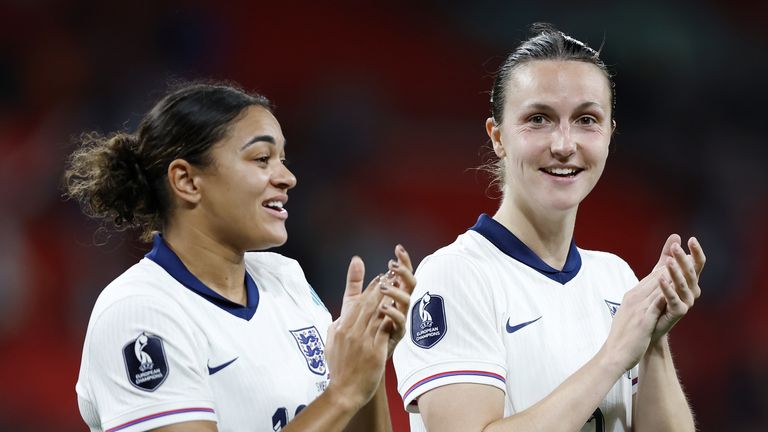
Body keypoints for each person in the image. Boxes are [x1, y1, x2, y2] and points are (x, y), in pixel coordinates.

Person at [393, 23, 706, 432]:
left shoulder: (616, 280)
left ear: (610, 135)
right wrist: (612, 356)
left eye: (586, 120)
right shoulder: (455, 276)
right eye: (539, 119)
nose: (563, 144)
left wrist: (653, 344)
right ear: (498, 136)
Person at [65, 82, 416, 432]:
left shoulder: (286, 280)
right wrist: (342, 393)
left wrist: (365, 365)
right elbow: (341, 397)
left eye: (283, 159)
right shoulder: (139, 311)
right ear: (186, 180)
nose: (288, 178)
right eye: (262, 159)